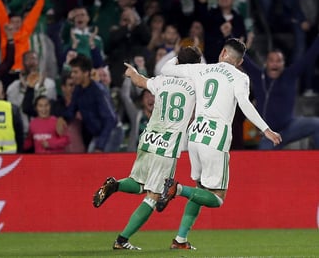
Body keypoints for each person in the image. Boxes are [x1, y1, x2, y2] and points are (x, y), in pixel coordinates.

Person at [156, 38, 282, 250]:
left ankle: (180, 239)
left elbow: (167, 69)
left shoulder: (201, 69)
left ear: (223, 52)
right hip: (215, 138)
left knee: (200, 190)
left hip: (194, 135)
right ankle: (177, 189)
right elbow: (244, 104)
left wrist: (180, 56)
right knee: (216, 198)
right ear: (240, 61)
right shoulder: (240, 77)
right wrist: (265, 129)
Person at [92, 46, 201, 250]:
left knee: (138, 183)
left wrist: (132, 72)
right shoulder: (196, 84)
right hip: (167, 145)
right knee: (153, 196)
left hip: (148, 138)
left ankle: (114, 185)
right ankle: (122, 240)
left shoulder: (162, 80)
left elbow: (140, 81)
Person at [241, 35, 319, 149]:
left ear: (283, 64)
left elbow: (309, 57)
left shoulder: (290, 74)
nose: (275, 64)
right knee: (262, 160)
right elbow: (244, 60)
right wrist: (229, 37)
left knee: (317, 124)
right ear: (266, 63)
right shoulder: (258, 76)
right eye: (271, 61)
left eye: (279, 61)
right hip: (269, 135)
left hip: (289, 127)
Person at [59, 54, 123, 152]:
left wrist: (100, 146)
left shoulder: (99, 91)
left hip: (111, 132)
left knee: (100, 163)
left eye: (75, 72)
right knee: (91, 162)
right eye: (72, 72)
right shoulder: (78, 89)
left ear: (86, 73)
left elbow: (110, 120)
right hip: (99, 133)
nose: (72, 75)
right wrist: (63, 118)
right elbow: (72, 109)